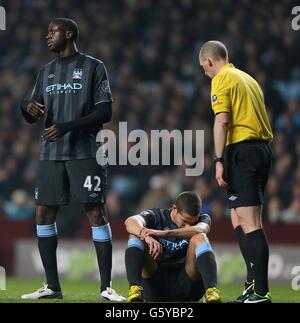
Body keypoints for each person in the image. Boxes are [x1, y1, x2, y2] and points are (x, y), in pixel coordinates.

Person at [20, 18, 125, 301]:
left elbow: (105, 112)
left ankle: (106, 287)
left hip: (85, 152)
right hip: (52, 154)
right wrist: (25, 107)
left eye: (52, 31)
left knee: (94, 211)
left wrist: (67, 126)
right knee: (43, 212)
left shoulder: (93, 66)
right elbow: (33, 114)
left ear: (68, 34)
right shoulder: (46, 71)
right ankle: (52, 287)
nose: (47, 36)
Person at [199, 41, 273, 303]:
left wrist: (218, 159)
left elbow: (221, 120)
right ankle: (252, 282)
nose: (204, 72)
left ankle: (262, 293)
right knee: (238, 219)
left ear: (209, 61)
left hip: (243, 151)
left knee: (252, 222)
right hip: (261, 150)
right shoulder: (248, 79)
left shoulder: (221, 78)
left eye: (203, 67)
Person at [124, 191, 221, 303]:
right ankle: (134, 290)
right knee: (135, 235)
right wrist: (145, 236)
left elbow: (202, 229)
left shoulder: (203, 218)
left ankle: (211, 290)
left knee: (200, 237)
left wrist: (163, 233)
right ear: (174, 208)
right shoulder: (156, 216)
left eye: (192, 223)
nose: (187, 227)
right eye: (184, 221)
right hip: (155, 286)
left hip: (188, 286)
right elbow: (130, 221)